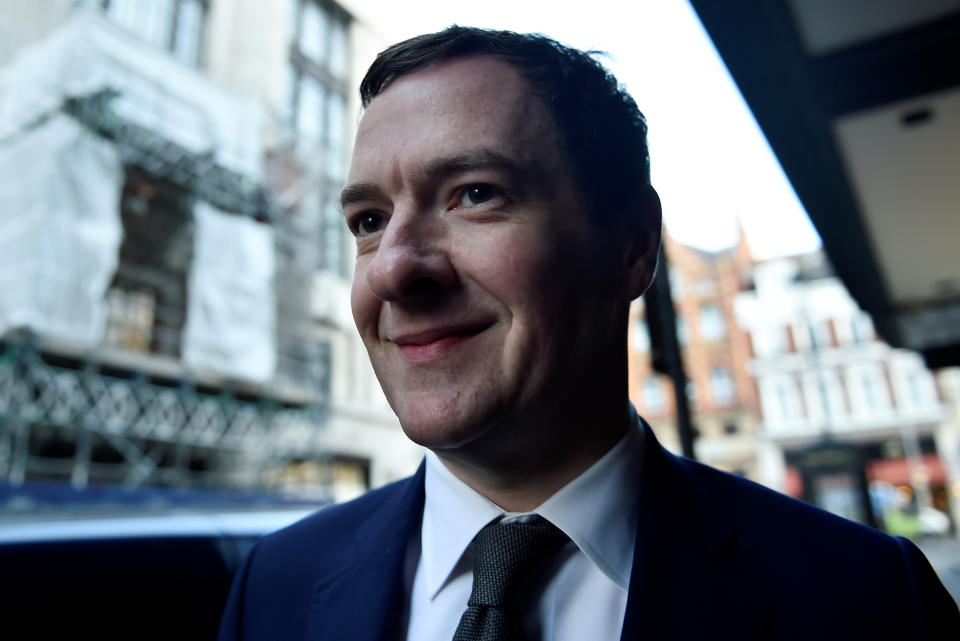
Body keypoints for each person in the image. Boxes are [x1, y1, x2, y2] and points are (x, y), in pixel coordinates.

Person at [218, 26, 958, 640]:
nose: (394, 268)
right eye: (369, 221)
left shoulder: (870, 602)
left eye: (476, 194)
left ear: (632, 245)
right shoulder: (274, 589)